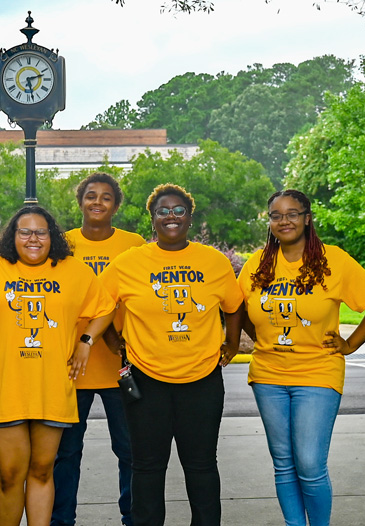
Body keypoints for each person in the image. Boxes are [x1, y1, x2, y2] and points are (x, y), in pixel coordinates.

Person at [0, 205, 116, 526]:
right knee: (9, 474)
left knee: (43, 470)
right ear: (13, 237)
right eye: (25, 232)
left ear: (52, 237)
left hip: (53, 386)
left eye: (41, 232)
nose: (33, 239)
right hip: (6, 387)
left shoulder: (72, 270)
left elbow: (104, 307)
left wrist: (86, 343)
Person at [239, 189, 365, 526]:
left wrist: (350, 344)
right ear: (270, 222)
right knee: (284, 462)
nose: (284, 221)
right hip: (268, 376)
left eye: (292, 213)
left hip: (318, 373)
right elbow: (237, 308)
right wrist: (259, 338)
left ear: (307, 218)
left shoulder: (333, 259)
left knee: (309, 462)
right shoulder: (256, 263)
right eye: (276, 215)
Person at [100, 183, 243, 526]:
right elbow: (99, 306)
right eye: (162, 211)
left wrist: (232, 342)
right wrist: (112, 340)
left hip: (202, 379)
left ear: (190, 216)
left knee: (202, 464)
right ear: (152, 218)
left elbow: (234, 306)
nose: (171, 216)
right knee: (147, 466)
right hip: (146, 381)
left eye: (179, 210)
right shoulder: (128, 263)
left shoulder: (213, 261)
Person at [52, 172, 144, 526]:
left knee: (130, 451)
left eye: (106, 197)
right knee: (66, 452)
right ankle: (62, 520)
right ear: (80, 202)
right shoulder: (62, 244)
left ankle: (133, 516)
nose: (98, 202)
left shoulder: (133, 243)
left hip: (120, 364)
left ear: (116, 205)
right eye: (91, 196)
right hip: (71, 364)